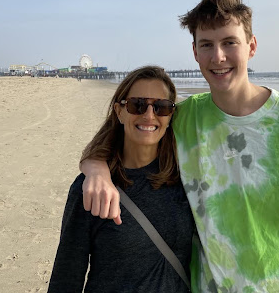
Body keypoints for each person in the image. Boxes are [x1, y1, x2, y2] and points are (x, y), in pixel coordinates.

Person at [81, 0, 279, 292]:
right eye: (207, 44)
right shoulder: (184, 118)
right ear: (195, 52)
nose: (218, 56)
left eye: (230, 42)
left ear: (251, 46)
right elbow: (123, 134)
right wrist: (96, 168)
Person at [48, 66, 195, 292]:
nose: (149, 115)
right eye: (137, 104)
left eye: (161, 107)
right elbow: (66, 277)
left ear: (171, 115)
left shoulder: (185, 178)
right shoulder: (91, 189)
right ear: (119, 111)